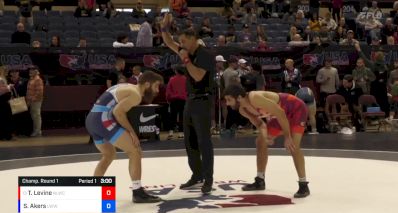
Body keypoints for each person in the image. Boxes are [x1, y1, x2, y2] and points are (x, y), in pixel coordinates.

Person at [85, 71, 163, 203]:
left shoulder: (128, 86)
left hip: (92, 119)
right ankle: (138, 192)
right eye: (156, 86)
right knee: (135, 150)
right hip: (103, 119)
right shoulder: (136, 94)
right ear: (147, 84)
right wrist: (132, 133)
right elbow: (118, 113)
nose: (157, 90)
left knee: (108, 154)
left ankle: (94, 188)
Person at [223, 84, 310, 198]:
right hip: (279, 115)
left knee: (293, 145)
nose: (227, 103)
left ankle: (303, 185)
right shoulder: (243, 110)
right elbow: (260, 124)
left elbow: (280, 112)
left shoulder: (254, 97)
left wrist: (287, 137)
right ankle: (260, 180)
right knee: (260, 141)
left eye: (229, 100)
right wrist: (265, 137)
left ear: (239, 97)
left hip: (296, 108)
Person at [161, 13, 216, 194]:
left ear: (193, 39)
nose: (181, 44)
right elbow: (169, 43)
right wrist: (164, 28)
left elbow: (198, 76)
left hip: (204, 99)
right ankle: (197, 175)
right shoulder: (187, 51)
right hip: (190, 101)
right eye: (181, 41)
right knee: (189, 141)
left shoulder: (205, 54)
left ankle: (208, 179)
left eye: (183, 41)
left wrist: (185, 59)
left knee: (204, 141)